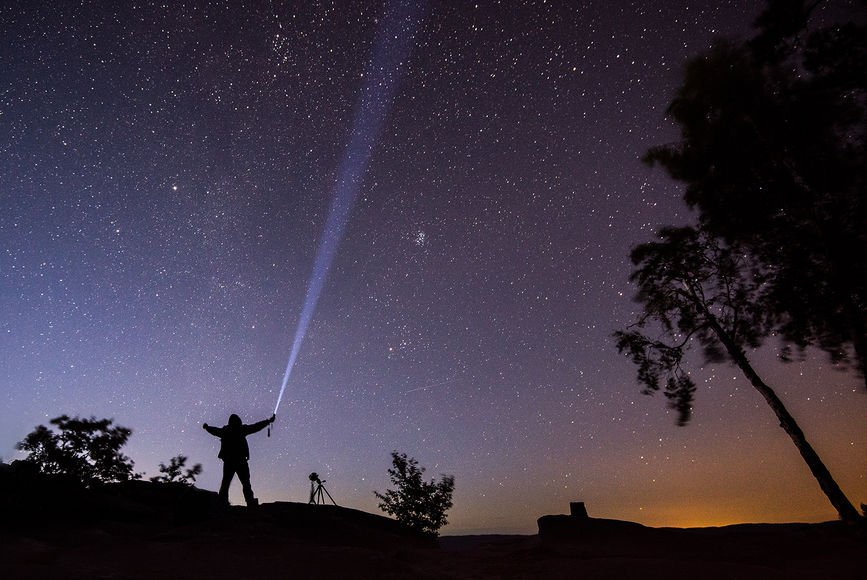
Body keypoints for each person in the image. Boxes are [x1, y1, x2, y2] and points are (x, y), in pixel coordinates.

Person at [203, 413, 275, 507]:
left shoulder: (226, 431)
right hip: (240, 461)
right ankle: (249, 502)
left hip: (230, 461)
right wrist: (268, 421)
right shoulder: (241, 429)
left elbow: (215, 431)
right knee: (244, 483)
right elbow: (255, 427)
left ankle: (222, 502)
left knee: (227, 483)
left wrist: (207, 427)